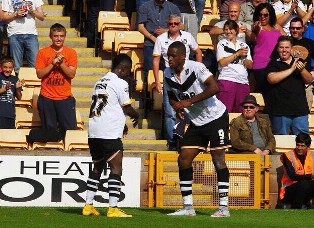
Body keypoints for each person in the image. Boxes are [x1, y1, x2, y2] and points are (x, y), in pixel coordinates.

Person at [165, 41, 230, 217]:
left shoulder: (196, 67)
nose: (169, 58)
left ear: (182, 56)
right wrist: (178, 107)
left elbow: (215, 87)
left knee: (218, 160)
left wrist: (189, 102)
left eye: (173, 55)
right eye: (168, 55)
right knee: (184, 159)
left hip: (216, 117)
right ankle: (188, 207)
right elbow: (171, 95)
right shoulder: (167, 73)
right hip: (196, 121)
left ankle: (223, 207)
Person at [82, 54, 139, 217]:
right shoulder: (120, 82)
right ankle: (113, 208)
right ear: (122, 68)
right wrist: (137, 115)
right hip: (109, 134)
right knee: (116, 167)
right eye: (128, 70)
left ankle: (88, 205)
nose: (129, 74)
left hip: (94, 132)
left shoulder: (99, 81)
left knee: (97, 167)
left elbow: (109, 106)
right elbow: (127, 108)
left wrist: (122, 123)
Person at [152, 14, 202, 150]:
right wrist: (157, 81)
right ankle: (172, 140)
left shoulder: (187, 36)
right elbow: (156, 61)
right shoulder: (161, 39)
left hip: (187, 76)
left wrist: (197, 69)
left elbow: (198, 52)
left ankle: (188, 139)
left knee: (189, 109)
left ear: (180, 24)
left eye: (175, 23)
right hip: (169, 76)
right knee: (170, 112)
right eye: (170, 24)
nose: (172, 26)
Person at [265, 36, 313, 135]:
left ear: (291, 49)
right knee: (282, 141)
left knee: (303, 141)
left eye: (287, 47)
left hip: (300, 110)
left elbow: (309, 80)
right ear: (277, 49)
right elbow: (271, 79)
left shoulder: (300, 63)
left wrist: (302, 70)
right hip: (280, 111)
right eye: (281, 47)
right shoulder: (273, 64)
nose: (284, 50)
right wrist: (291, 70)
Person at [35, 23, 78, 130]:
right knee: (49, 131)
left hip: (65, 97)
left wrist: (62, 64)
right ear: (51, 36)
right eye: (56, 36)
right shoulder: (43, 52)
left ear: (65, 37)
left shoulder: (71, 53)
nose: (59, 39)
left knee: (69, 131)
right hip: (47, 97)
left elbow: (71, 74)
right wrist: (53, 64)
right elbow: (39, 74)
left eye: (61, 36)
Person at [216, 20, 253, 113]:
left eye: (231, 29)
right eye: (226, 29)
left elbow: (250, 66)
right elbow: (222, 62)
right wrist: (237, 54)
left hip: (243, 81)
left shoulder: (244, 45)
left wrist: (244, 59)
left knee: (242, 113)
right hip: (227, 79)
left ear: (236, 30)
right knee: (224, 111)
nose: (228, 32)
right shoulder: (221, 43)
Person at [1, 0, 45, 75]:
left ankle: (33, 83)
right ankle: (17, 84)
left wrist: (32, 11)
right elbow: (3, 17)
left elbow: (42, 17)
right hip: (14, 33)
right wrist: (16, 14)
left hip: (31, 33)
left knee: (35, 64)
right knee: (16, 66)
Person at [138, 0, 180, 76]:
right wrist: (152, 37)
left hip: (168, 43)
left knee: (169, 68)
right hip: (150, 43)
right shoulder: (144, 7)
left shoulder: (173, 7)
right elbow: (140, 27)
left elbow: (181, 26)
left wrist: (166, 31)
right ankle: (148, 85)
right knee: (149, 69)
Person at [251, 3, 284, 95]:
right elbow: (255, 30)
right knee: (265, 93)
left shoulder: (276, 27)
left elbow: (287, 40)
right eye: (260, 14)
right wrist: (256, 26)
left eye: (265, 15)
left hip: (275, 64)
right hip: (261, 65)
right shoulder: (258, 26)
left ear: (270, 15)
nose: (262, 17)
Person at [279, 132, 314, 209]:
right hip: (288, 191)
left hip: (306, 189)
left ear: (308, 146)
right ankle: (296, 209)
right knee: (304, 183)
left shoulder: (312, 156)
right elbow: (292, 176)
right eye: (298, 145)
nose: (299, 148)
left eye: (302, 146)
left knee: (306, 184)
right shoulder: (287, 155)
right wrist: (310, 176)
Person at [288, 17, 314, 111]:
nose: (295, 30)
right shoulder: (284, 43)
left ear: (303, 29)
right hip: (288, 83)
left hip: (305, 84)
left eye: (298, 28)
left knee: (304, 117)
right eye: (292, 28)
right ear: (289, 29)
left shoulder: (310, 43)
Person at [0, 57, 23, 129]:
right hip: (1, 113)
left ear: (13, 68)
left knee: (9, 135)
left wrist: (18, 89)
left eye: (10, 67)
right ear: (1, 67)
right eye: (5, 67)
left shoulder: (15, 79)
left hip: (10, 114)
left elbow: (19, 97)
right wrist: (5, 89)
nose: (7, 70)